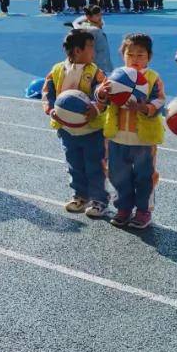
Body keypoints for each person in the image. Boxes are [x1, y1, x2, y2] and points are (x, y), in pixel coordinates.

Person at [97, 33, 165, 229]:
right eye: (131, 54)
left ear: (149, 57)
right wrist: (101, 93)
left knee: (145, 177)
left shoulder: (152, 78)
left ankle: (144, 210)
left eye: (140, 55)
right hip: (117, 137)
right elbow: (102, 96)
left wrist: (145, 108)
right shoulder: (116, 77)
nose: (135, 59)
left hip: (143, 140)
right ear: (123, 55)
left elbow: (160, 101)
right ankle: (123, 208)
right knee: (118, 175)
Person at [42, 29, 107, 218]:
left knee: (95, 165)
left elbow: (103, 94)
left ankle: (99, 200)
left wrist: (96, 107)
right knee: (74, 164)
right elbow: (48, 92)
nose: (93, 52)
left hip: (91, 129)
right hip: (67, 130)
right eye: (91, 47)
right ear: (77, 51)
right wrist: (51, 109)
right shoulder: (56, 70)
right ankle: (80, 196)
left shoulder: (95, 72)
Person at [71, 5, 113, 74]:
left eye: (100, 14)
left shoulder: (95, 26)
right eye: (97, 15)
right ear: (88, 17)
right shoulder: (91, 31)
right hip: (97, 66)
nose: (100, 17)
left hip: (102, 63)